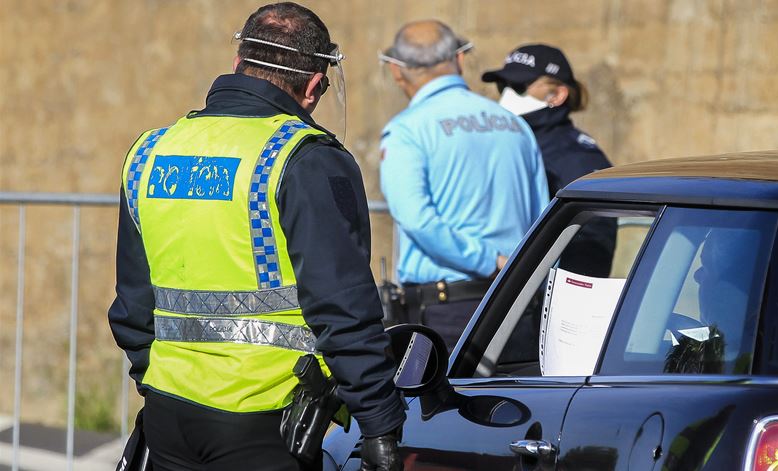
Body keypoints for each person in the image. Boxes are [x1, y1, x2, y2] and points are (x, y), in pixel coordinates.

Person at [108, 3, 404, 470]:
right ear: (313, 86)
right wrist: (379, 417)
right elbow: (341, 304)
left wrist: (154, 378)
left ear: (237, 63)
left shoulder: (150, 152)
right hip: (264, 418)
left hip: (167, 411)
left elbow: (133, 300)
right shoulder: (303, 157)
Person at [378, 20, 549, 350]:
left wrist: (488, 260)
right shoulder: (515, 126)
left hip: (446, 312)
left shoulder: (407, 131)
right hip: (515, 305)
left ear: (397, 71)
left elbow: (417, 220)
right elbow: (540, 215)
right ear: (458, 60)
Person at [482, 44, 615, 277]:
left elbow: (592, 243)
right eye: (503, 86)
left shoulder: (576, 156)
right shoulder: (508, 141)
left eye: (519, 87)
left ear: (557, 94)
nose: (507, 96)